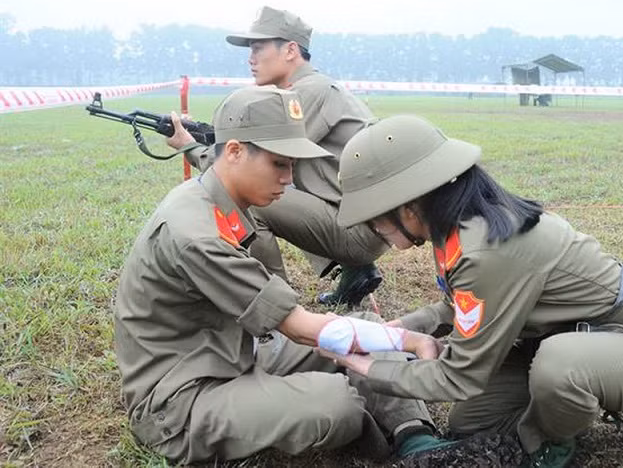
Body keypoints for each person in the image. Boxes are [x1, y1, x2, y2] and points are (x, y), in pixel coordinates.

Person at [323, 115, 623, 468]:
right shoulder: (458, 227)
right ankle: (557, 407)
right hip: (554, 340)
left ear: (407, 208)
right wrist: (401, 329)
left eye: (373, 218)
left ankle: (556, 442)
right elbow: (463, 307)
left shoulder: (485, 249)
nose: (373, 230)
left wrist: (368, 366)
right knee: (473, 422)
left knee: (561, 369)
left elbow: (458, 377)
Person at [114, 89, 455, 464]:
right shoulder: (194, 233)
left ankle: (415, 437)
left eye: (292, 165)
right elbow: (298, 327)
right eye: (279, 164)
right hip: (183, 397)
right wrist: (410, 338)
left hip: (240, 351)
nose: (288, 179)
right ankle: (382, 449)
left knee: (371, 330)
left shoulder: (221, 203)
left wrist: (390, 338)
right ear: (234, 151)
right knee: (335, 403)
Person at [172, 5, 387, 307]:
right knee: (281, 179)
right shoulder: (314, 87)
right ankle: (356, 272)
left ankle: (278, 304)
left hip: (360, 231)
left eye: (258, 48)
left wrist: (188, 146)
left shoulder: (304, 94)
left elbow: (240, 168)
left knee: (247, 195)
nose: (251, 58)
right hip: (364, 222)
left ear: (289, 51)